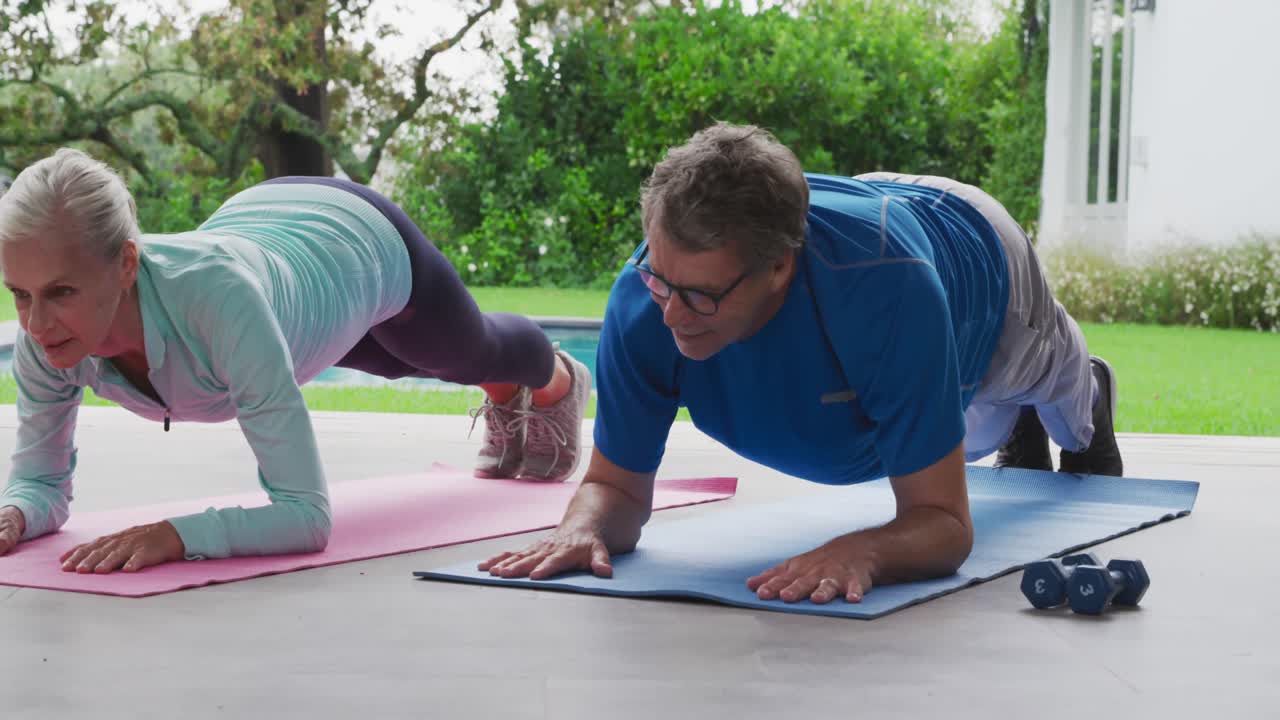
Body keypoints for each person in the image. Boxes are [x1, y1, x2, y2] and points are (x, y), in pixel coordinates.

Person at [480, 122, 1123, 605]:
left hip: (974, 250)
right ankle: (1017, 421)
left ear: (779, 268)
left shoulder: (888, 292)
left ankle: (1088, 391)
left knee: (1050, 399)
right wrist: (581, 525)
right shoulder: (643, 298)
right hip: (867, 220)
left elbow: (947, 525)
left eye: (700, 295)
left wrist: (865, 550)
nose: (671, 314)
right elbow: (617, 490)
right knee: (976, 437)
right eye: (660, 280)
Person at [0, 149, 591, 574]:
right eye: (19, 294)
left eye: (61, 292)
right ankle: (502, 396)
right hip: (276, 261)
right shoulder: (46, 343)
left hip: (349, 236)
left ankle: (552, 382)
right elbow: (40, 483)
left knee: (460, 353)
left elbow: (306, 516)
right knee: (392, 362)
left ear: (127, 263)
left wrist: (175, 536)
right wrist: (17, 512)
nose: (36, 324)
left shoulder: (218, 302)